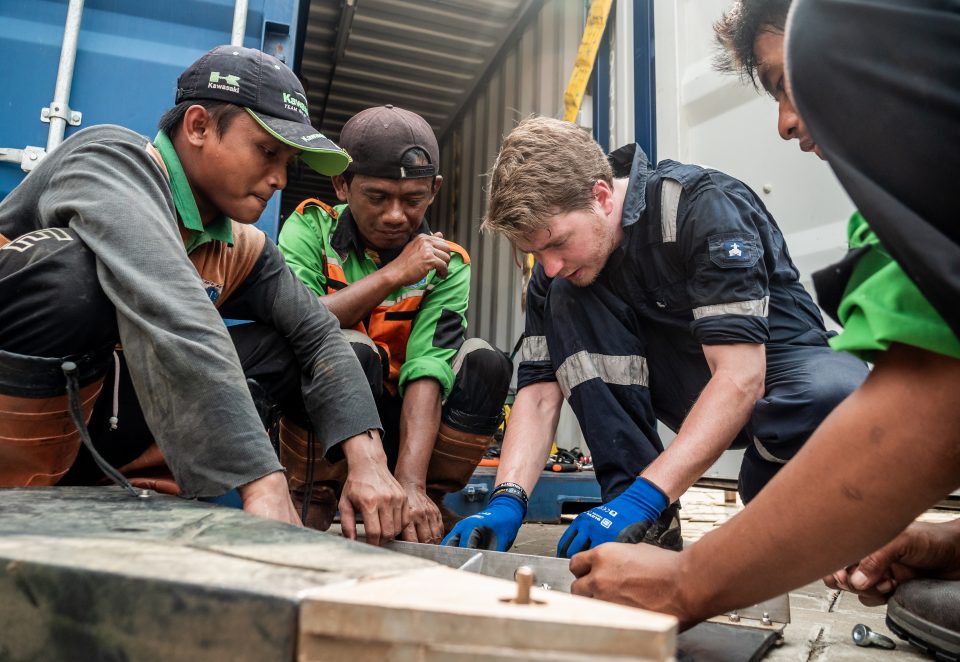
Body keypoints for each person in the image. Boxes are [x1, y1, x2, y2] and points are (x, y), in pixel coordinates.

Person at [568, 0, 960, 648]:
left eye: (786, 82)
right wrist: (946, 545)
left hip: (785, 377)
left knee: (829, 388)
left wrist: (687, 581)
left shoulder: (702, 204)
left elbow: (932, 402)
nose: (783, 123)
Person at [0, 45, 408, 544]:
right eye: (267, 152)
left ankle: (143, 484)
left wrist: (369, 461)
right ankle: (19, 501)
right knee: (72, 276)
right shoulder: (106, 159)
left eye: (289, 161)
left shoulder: (238, 243)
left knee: (302, 346)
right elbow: (174, 308)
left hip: (97, 423)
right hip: (26, 410)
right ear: (197, 127)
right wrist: (263, 482)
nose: (280, 178)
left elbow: (320, 336)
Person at [443, 113, 868, 558]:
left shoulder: (702, 206)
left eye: (557, 243)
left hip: (773, 373)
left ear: (601, 195)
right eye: (535, 254)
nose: (548, 266)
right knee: (566, 295)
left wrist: (647, 495)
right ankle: (645, 527)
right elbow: (539, 393)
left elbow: (741, 377)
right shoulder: (559, 275)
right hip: (691, 385)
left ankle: (767, 475)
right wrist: (507, 500)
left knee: (835, 393)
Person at [278, 105, 511, 543]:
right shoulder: (309, 227)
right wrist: (394, 275)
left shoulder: (449, 263)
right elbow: (299, 323)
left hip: (398, 416)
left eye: (413, 199)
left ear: (434, 190)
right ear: (341, 185)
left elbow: (427, 366)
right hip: (323, 410)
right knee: (350, 350)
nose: (395, 216)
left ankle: (424, 501)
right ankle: (318, 490)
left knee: (484, 363)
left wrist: (411, 484)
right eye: (377, 196)